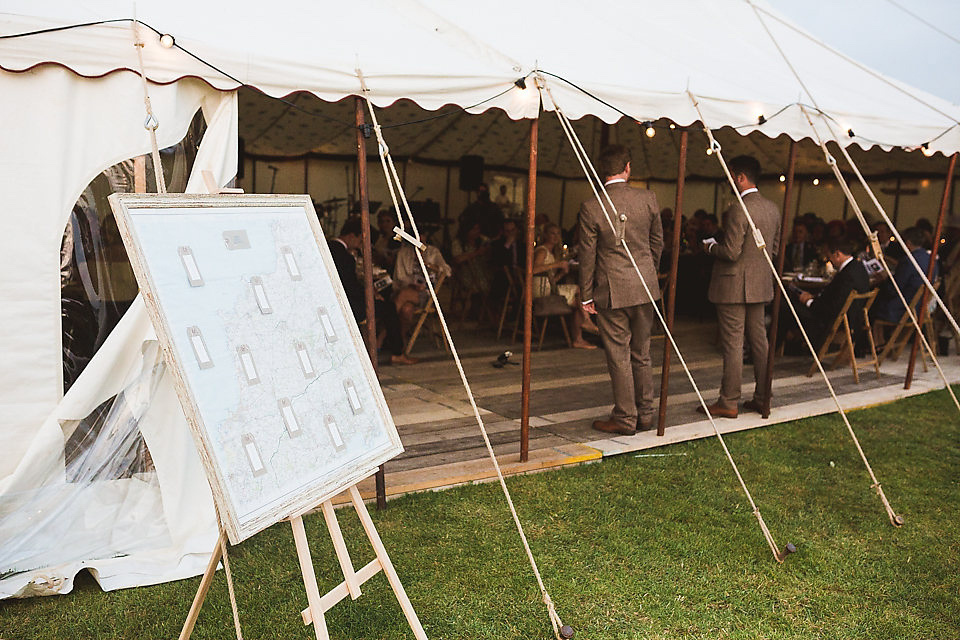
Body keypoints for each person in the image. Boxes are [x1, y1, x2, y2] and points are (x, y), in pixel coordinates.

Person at [579, 144, 663, 435]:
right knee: (642, 353)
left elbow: (587, 254)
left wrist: (585, 295)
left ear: (603, 171)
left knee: (619, 355)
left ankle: (626, 418)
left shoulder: (592, 206)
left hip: (612, 290)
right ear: (628, 168)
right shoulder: (648, 198)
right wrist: (647, 274)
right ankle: (646, 414)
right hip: (645, 287)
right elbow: (657, 244)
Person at [701, 155, 781, 418]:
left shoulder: (739, 208)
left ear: (741, 178)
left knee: (734, 345)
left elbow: (732, 252)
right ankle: (763, 396)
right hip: (760, 283)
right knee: (760, 342)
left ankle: (729, 401)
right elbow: (776, 249)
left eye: (730, 176)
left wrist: (711, 246)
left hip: (733, 285)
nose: (728, 181)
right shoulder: (772, 208)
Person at [328, 217, 417, 365]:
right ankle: (397, 352)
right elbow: (350, 288)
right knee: (388, 307)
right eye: (359, 241)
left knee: (384, 302)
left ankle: (380, 342)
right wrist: (370, 295)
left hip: (333, 301)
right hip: (348, 305)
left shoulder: (328, 247)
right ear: (352, 236)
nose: (359, 245)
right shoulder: (345, 256)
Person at [782, 235, 870, 352]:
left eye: (829, 257)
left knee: (784, 306)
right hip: (853, 317)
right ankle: (793, 341)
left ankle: (787, 346)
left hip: (836, 320)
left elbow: (834, 307)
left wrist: (809, 302)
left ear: (837, 254)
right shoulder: (859, 267)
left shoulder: (847, 275)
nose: (829, 260)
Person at [532, 222, 596, 349]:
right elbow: (534, 270)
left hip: (548, 287)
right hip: (540, 291)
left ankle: (579, 336)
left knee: (578, 302)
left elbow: (551, 280)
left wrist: (561, 273)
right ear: (545, 235)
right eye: (552, 233)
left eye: (558, 234)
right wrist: (557, 265)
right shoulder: (542, 251)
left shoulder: (552, 252)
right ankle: (586, 323)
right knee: (578, 291)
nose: (555, 237)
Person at [872, 226, 939, 327]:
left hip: (904, 308)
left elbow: (894, 288)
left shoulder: (909, 261)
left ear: (907, 243)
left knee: (873, 304)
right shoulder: (930, 258)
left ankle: (875, 340)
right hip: (920, 306)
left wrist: (886, 277)